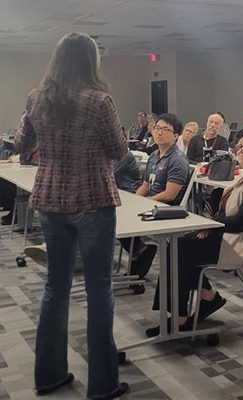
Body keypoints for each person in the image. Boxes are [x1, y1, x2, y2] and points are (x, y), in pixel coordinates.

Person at [14, 32, 129, 399]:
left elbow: (21, 145)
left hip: (49, 201)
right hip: (93, 199)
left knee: (55, 288)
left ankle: (49, 375)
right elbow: (118, 149)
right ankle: (103, 384)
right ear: (90, 62)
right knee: (99, 291)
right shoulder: (100, 100)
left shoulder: (36, 98)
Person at [145, 132, 243, 337]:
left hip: (240, 242)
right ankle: (207, 298)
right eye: (240, 147)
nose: (241, 151)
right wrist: (210, 224)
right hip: (230, 234)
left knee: (178, 249)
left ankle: (183, 316)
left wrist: (211, 224)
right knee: (176, 245)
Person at [120, 113, 190, 280]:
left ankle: (140, 249)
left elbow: (169, 195)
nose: (159, 132)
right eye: (157, 128)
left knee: (123, 220)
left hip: (166, 209)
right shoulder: (154, 155)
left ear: (175, 136)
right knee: (118, 214)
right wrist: (134, 201)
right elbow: (145, 185)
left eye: (165, 129)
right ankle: (140, 248)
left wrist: (141, 204)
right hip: (149, 203)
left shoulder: (177, 160)